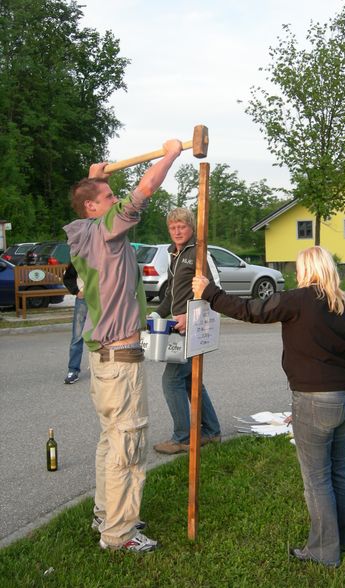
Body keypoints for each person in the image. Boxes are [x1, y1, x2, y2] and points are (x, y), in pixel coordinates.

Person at [193, 246, 345, 568]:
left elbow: (250, 310)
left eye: (298, 268)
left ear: (308, 270)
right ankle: (344, 538)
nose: (295, 274)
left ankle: (324, 551)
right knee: (339, 467)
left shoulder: (298, 300)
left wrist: (210, 292)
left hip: (316, 399)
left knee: (317, 477)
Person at [63, 139, 182, 553]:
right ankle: (119, 534)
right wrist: (170, 153)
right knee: (128, 444)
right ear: (94, 208)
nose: (116, 202)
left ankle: (106, 513)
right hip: (119, 356)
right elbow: (144, 190)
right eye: (108, 197)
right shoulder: (105, 231)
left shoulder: (83, 234)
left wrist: (96, 178)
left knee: (111, 439)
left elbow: (93, 198)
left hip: (102, 357)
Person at [152, 207, 222, 455]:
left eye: (181, 226)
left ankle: (182, 437)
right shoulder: (175, 254)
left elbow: (216, 291)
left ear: (192, 228)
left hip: (194, 329)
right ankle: (211, 432)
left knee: (171, 381)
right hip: (178, 328)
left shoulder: (200, 253)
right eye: (172, 227)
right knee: (191, 379)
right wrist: (156, 314)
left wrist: (189, 315)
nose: (177, 231)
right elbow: (171, 293)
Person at [63, 262, 87, 384]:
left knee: (104, 335)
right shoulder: (78, 257)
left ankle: (103, 367)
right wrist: (76, 291)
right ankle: (73, 370)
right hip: (84, 300)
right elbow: (68, 278)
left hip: (102, 300)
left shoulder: (104, 253)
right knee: (77, 336)